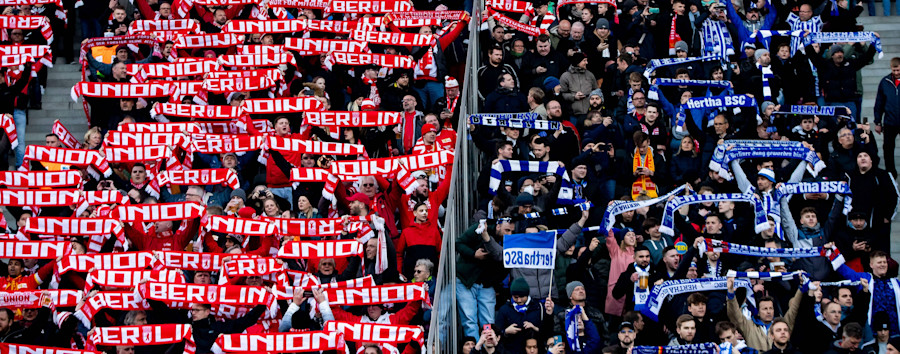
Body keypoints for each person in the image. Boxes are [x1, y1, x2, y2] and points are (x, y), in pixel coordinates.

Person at [874, 57, 900, 177]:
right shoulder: (885, 82)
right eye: (894, 70)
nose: (896, 73)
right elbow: (879, 103)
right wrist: (878, 122)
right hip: (890, 122)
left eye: (898, 70)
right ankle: (891, 172)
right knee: (888, 148)